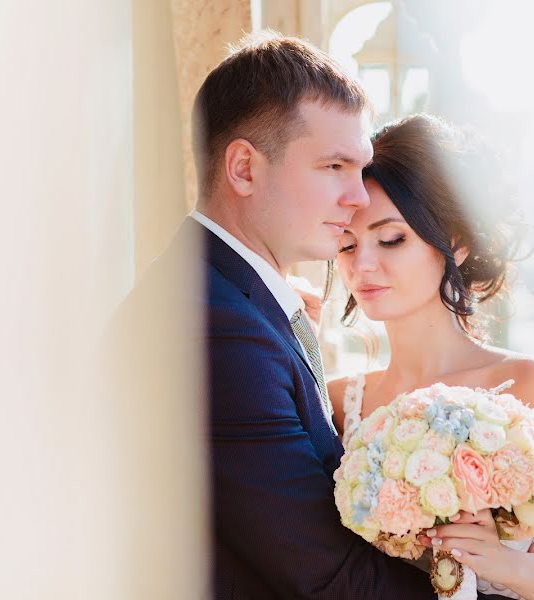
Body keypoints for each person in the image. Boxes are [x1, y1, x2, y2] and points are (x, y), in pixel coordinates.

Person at [112, 32, 448, 599]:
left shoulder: (236, 302)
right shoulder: (218, 331)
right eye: (334, 166)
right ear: (244, 168)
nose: (359, 198)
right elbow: (325, 575)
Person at [327, 114, 534, 599]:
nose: (363, 265)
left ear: (455, 242)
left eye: (391, 239)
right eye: (346, 244)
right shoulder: (339, 404)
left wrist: (500, 564)